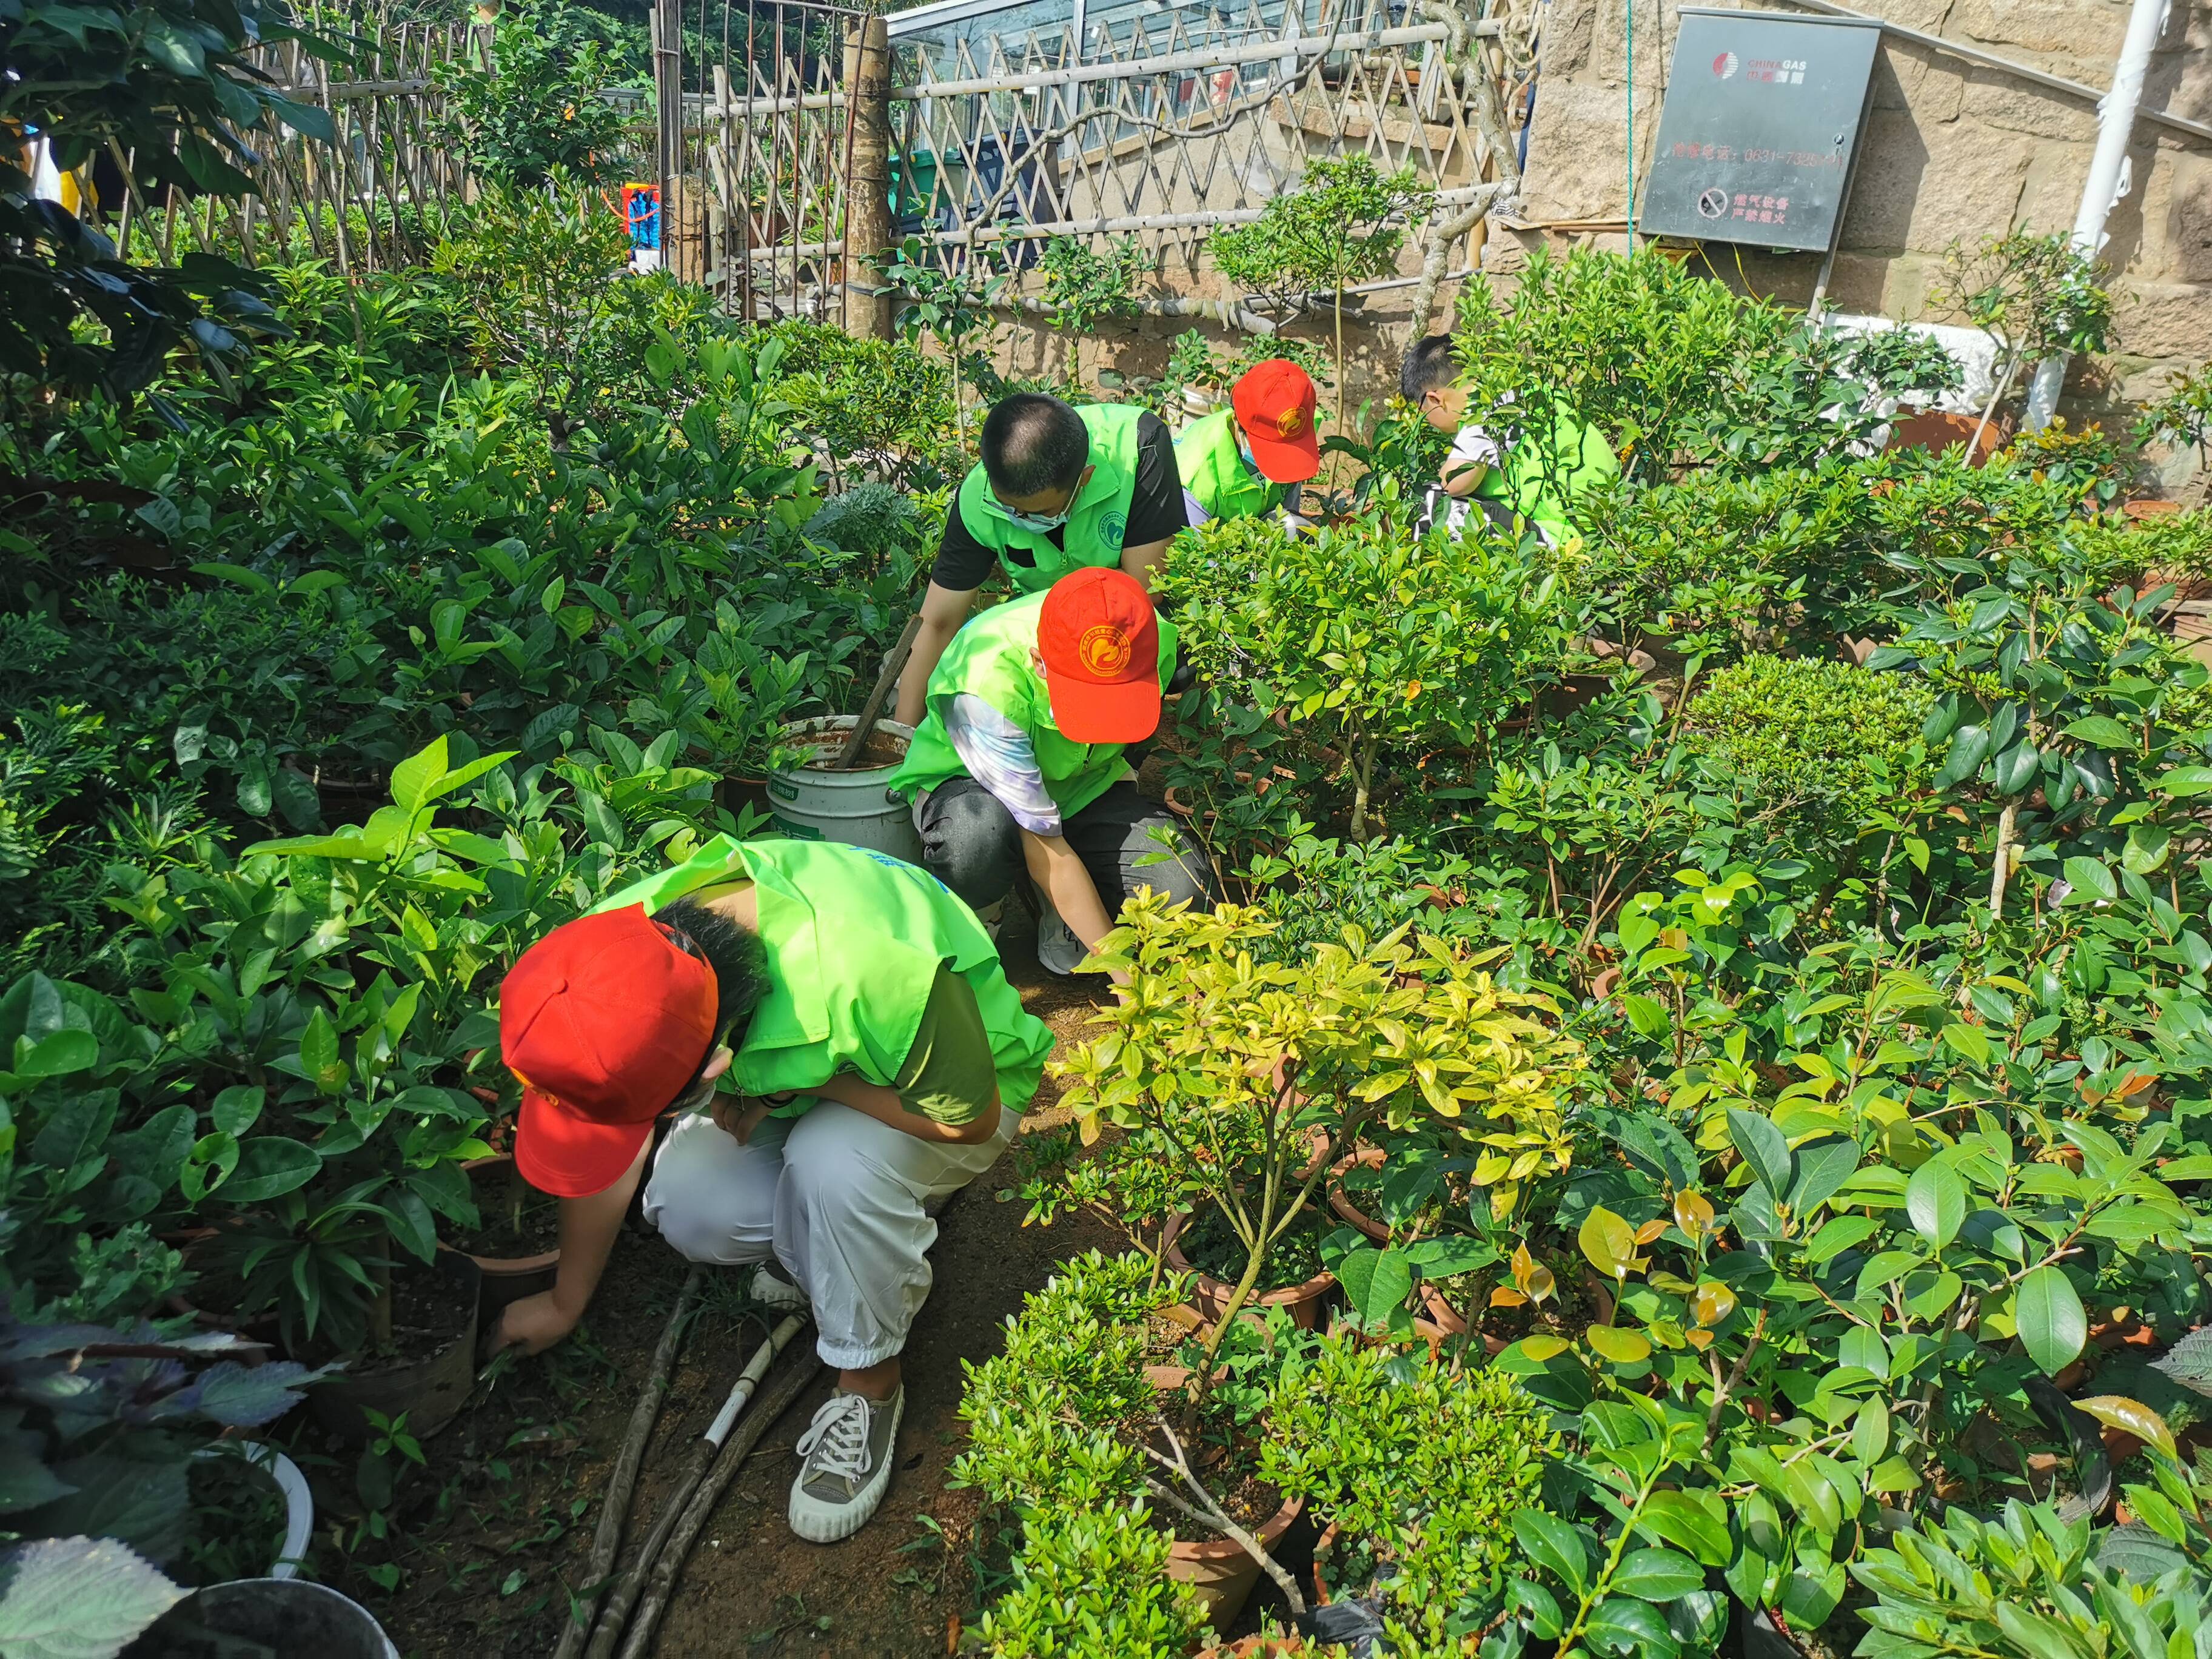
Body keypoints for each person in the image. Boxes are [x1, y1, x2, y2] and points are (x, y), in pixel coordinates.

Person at [488, 836, 1054, 1545]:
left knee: (832, 1165)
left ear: (714, 1067)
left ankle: (871, 1383)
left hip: (954, 1084)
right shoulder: (600, 960)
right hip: (802, 1072)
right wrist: (563, 1302)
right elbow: (602, 1143)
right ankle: (834, 1243)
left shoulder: (869, 974)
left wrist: (807, 1087)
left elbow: (967, 1120)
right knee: (692, 1203)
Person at [888, 566, 1212, 976]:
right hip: (976, 789)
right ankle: (982, 917)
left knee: (1182, 890)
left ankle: (1066, 903)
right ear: (1040, 663)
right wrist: (1124, 978)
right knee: (976, 841)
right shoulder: (986, 680)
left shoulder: (1150, 636)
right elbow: (1047, 849)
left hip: (1084, 783)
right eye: (1087, 701)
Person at [894, 392, 1186, 731]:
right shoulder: (978, 496)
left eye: (1040, 513)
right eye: (1008, 509)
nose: (1020, 520)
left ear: (1085, 479)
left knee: (1172, 670)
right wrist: (903, 733)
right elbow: (937, 623)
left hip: (1119, 623)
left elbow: (1145, 587)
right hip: (1044, 629)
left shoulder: (1138, 445)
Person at [1400, 333, 1620, 546]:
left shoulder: (1487, 407)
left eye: (1422, 412)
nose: (1426, 421)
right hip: (1608, 527)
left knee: (1430, 503)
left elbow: (1452, 483)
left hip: (1565, 537)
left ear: (1435, 400)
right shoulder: (1521, 385)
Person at [1175, 358, 1321, 526]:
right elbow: (1195, 541)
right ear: (1236, 421)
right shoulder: (1195, 476)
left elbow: (1288, 514)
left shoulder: (1296, 424)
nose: (1280, 460)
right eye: (1268, 450)